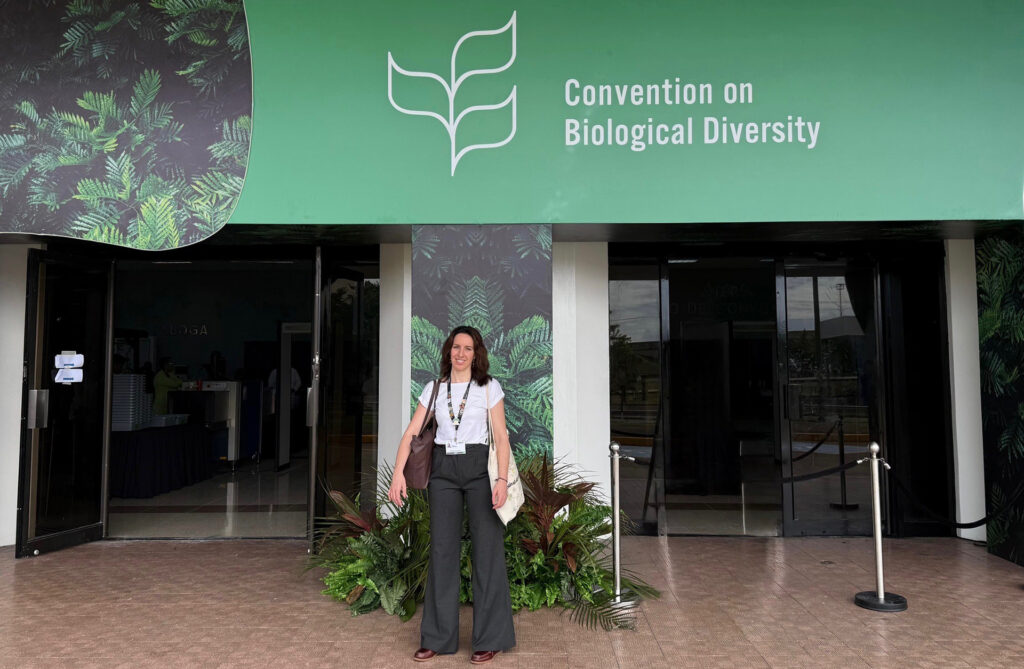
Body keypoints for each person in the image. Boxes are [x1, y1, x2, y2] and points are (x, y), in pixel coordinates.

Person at [389, 326, 516, 664]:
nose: (461, 353)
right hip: (443, 470)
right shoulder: (434, 389)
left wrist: (501, 479)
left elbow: (501, 438)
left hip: (479, 470)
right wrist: (397, 474)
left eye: (468, 348)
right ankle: (437, 638)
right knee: (443, 551)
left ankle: (489, 639)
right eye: (456, 347)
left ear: (477, 354)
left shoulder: (488, 388)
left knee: (487, 551)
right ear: (448, 352)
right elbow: (412, 432)